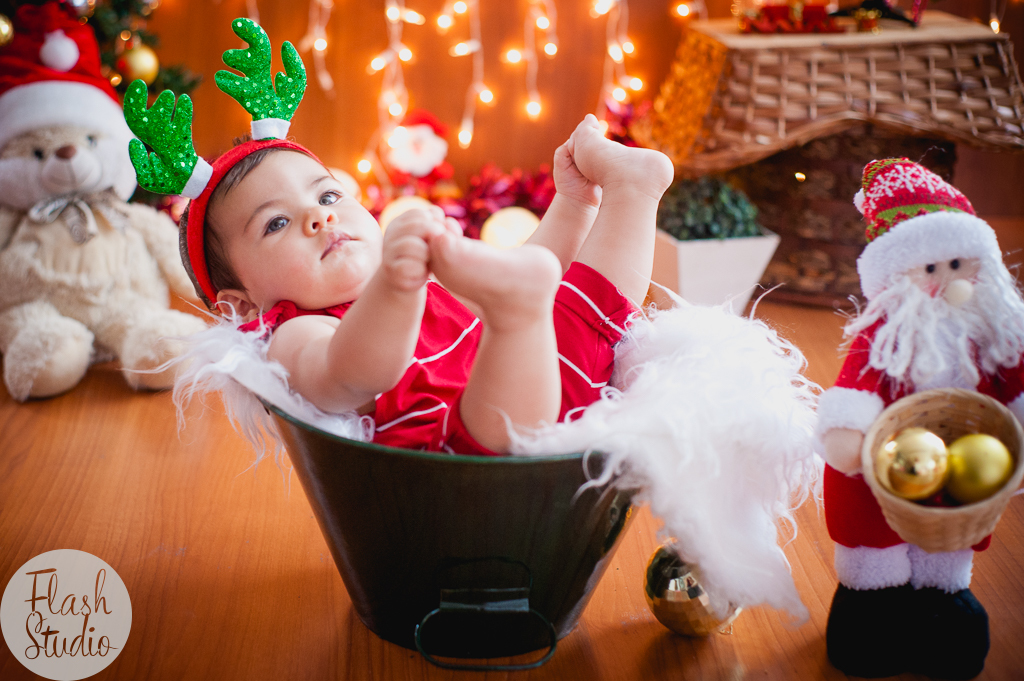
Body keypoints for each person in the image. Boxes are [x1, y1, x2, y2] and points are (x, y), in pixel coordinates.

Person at [184, 114, 672, 455]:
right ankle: (520, 315)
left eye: (328, 193)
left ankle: (633, 189)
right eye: (275, 224)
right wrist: (396, 285)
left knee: (589, 315)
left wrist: (572, 201)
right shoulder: (295, 333)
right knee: (523, 316)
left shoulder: (423, 283)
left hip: (554, 383)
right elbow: (350, 376)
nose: (319, 216)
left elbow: (526, 269)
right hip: (465, 456)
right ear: (242, 306)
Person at [815, 158, 1024, 679]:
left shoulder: (989, 335)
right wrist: (849, 432)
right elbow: (855, 386)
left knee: (944, 557)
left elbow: (1014, 384)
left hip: (956, 485)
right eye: (930, 270)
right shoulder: (884, 338)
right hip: (875, 472)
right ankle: (873, 612)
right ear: (896, 278)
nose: (950, 282)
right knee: (875, 555)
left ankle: (940, 609)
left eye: (959, 264)